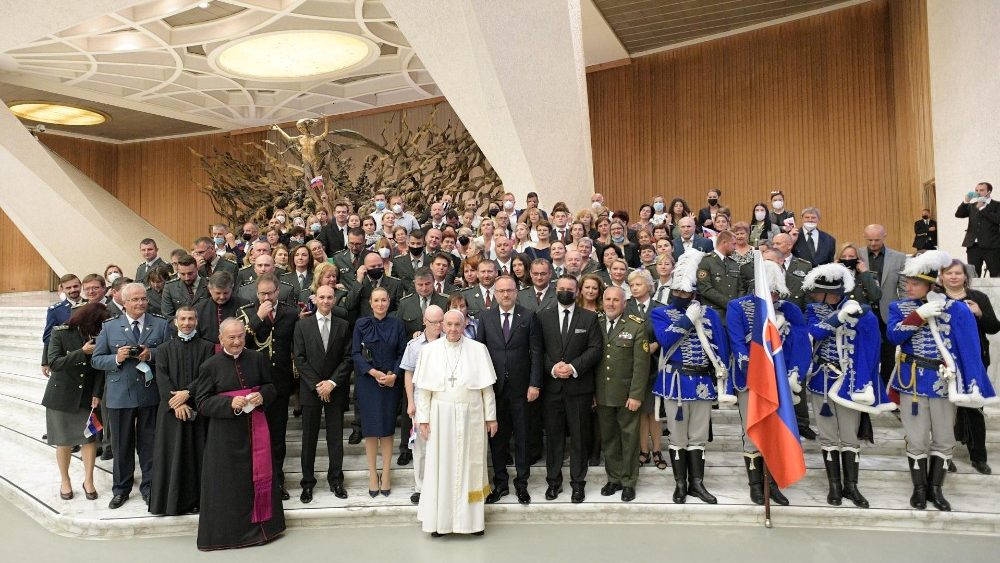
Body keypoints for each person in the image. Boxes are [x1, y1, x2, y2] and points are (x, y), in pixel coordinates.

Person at [888, 250, 997, 511]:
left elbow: (968, 346)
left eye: (915, 283)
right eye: (908, 282)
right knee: (916, 438)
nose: (909, 287)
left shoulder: (955, 308)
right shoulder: (898, 307)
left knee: (945, 438)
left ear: (929, 285)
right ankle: (919, 489)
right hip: (911, 382)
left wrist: (972, 382)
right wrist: (918, 316)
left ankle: (936, 489)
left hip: (943, 381)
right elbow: (893, 336)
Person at [802, 263, 894, 509]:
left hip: (851, 382)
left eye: (819, 292)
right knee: (828, 436)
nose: (814, 296)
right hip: (822, 381)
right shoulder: (814, 310)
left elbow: (872, 347)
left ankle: (851, 486)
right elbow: (815, 333)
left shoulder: (862, 312)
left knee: (850, 436)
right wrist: (837, 318)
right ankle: (834, 486)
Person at [195, 318, 285, 550]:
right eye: (231, 337)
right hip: (225, 437)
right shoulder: (210, 366)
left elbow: (271, 387)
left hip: (257, 431)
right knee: (230, 485)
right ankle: (232, 535)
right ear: (221, 338)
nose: (236, 342)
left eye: (240, 337)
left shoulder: (256, 358)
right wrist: (229, 403)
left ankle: (262, 530)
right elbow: (202, 403)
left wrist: (262, 396)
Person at [726, 259, 809, 506]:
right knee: (751, 433)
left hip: (780, 381)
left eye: (775, 290)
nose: (772, 295)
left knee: (776, 431)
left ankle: (771, 482)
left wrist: (794, 373)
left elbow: (800, 343)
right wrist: (753, 369)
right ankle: (755, 485)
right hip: (751, 379)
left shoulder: (790, 310)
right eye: (769, 289)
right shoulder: (738, 307)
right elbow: (737, 342)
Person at [650, 249, 727, 505]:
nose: (682, 296)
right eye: (678, 292)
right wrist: (687, 319)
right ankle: (680, 484)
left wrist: (723, 381)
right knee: (677, 436)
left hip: (703, 383)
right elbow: (665, 339)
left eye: (687, 292)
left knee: (698, 437)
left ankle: (697, 484)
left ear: (694, 292)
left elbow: (720, 347)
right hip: (675, 382)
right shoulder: (661, 313)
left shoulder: (710, 315)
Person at [414, 309, 498, 537]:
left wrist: (491, 417)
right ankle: (440, 523)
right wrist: (423, 419)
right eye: (448, 324)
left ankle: (471, 523)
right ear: (442, 325)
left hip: (472, 415)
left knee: (470, 466)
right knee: (442, 467)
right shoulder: (429, 351)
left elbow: (487, 390)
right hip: (440, 417)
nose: (452, 329)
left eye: (457, 325)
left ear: (464, 325)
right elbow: (423, 391)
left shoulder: (478, 350)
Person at [91, 283, 170, 509]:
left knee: (149, 445)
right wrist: (117, 358)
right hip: (119, 396)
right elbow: (97, 360)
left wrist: (151, 354)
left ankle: (150, 487)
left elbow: (169, 354)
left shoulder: (161, 324)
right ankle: (121, 489)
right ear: (124, 303)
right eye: (135, 300)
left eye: (143, 299)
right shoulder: (109, 327)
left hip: (149, 395)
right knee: (121, 445)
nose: (140, 303)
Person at [476, 276, 543, 505]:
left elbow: (536, 353)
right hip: (494, 390)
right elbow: (479, 354)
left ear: (516, 292)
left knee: (523, 438)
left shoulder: (528, 316)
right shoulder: (485, 317)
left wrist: (535, 383)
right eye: (501, 291)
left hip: (522, 389)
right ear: (495, 293)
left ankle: (522, 485)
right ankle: (501, 484)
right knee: (498, 439)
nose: (505, 295)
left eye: (510, 291)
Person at [537, 275, 602, 503]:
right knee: (554, 439)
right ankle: (553, 483)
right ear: (556, 289)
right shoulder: (543, 316)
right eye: (561, 288)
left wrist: (573, 367)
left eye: (570, 288)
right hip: (552, 388)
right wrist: (553, 368)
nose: (565, 291)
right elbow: (537, 350)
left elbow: (595, 349)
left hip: (579, 388)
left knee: (579, 438)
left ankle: (578, 484)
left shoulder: (590, 318)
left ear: (577, 292)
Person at [149, 306, 213, 516]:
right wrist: (177, 403)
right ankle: (172, 504)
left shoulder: (207, 348)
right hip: (170, 412)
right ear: (176, 322)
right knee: (172, 456)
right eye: (183, 319)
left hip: (198, 409)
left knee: (198, 455)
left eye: (191, 319)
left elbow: (207, 377)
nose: (187, 323)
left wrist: (188, 393)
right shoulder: (164, 349)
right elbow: (162, 378)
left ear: (196, 321)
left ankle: (199, 501)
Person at [238, 273, 297, 501]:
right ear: (256, 293)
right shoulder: (246, 312)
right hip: (253, 383)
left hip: (280, 384)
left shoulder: (290, 313)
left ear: (277, 292)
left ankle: (277, 480)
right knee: (254, 437)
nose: (266, 297)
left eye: (270, 293)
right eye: (262, 293)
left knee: (277, 437)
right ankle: (254, 481)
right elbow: (240, 342)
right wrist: (258, 318)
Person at [292, 285, 352, 503]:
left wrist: (332, 383)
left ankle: (336, 480)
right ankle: (307, 483)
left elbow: (347, 358)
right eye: (322, 297)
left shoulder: (343, 325)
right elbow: (299, 358)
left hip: (335, 390)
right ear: (315, 299)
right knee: (309, 439)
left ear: (334, 300)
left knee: (335, 438)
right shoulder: (302, 325)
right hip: (311, 390)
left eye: (329, 297)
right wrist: (318, 384)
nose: (326, 301)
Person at [43, 302, 107, 501]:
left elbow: (99, 367)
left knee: (89, 440)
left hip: (87, 396)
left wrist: (97, 393)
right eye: (98, 323)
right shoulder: (60, 332)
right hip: (62, 396)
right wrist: (81, 352)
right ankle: (65, 480)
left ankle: (88, 480)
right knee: (63, 441)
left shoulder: (98, 334)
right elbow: (54, 362)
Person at [940, 259, 999, 475]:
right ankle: (944, 455)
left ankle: (978, 457)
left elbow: (993, 327)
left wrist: (980, 314)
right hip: (944, 363)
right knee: (944, 411)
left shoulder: (978, 298)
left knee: (975, 409)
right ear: (942, 276)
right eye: (949, 273)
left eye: (958, 273)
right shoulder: (936, 298)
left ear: (966, 276)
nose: (954, 277)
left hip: (975, 360)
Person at [595, 286, 649, 502]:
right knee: (609, 439)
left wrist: (636, 395)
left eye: (615, 300)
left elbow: (641, 365)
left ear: (624, 303)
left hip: (627, 395)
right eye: (607, 299)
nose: (610, 303)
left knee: (629, 439)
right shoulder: (596, 323)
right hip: (602, 394)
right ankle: (614, 478)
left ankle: (628, 481)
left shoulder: (636, 326)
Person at [352, 287, 407, 496]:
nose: (380, 304)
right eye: (376, 300)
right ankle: (373, 474)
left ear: (389, 301)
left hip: (391, 382)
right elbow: (355, 353)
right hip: (368, 382)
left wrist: (394, 374)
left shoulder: (397, 324)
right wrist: (373, 372)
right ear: (370, 303)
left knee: (387, 428)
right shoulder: (361, 324)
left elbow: (403, 352)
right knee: (371, 430)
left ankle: (386, 471)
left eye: (384, 300)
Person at [401, 305, 445, 505]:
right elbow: (408, 373)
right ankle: (420, 487)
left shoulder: (451, 341)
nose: (438, 325)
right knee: (420, 447)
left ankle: (442, 486)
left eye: (440, 321)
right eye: (434, 321)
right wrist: (410, 402)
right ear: (425, 321)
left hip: (445, 398)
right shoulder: (415, 345)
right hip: (420, 399)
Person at [858, 224, 907, 385]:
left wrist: (904, 311)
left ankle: (887, 394)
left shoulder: (899, 258)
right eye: (869, 239)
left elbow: (903, 288)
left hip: (887, 314)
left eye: (877, 240)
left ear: (884, 236)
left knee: (888, 357)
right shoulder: (857, 255)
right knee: (864, 356)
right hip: (863, 313)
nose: (873, 243)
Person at [41, 274, 84, 377]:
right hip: (67, 359)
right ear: (62, 289)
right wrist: (45, 361)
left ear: (81, 285)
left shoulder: (91, 305)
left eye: (75, 286)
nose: (73, 290)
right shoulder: (55, 310)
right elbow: (48, 337)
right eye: (68, 288)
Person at [696, 230, 741, 323]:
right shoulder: (706, 261)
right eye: (733, 244)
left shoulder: (733, 263)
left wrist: (737, 305)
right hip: (715, 314)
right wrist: (729, 304)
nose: (735, 248)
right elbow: (705, 289)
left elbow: (740, 287)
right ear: (724, 243)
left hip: (734, 314)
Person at [194, 271, 241, 348]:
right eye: (218, 293)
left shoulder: (243, 305)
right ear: (210, 289)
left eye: (225, 293)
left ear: (232, 288)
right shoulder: (199, 309)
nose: (222, 297)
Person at [837, 243, 881, 308]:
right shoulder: (831, 277)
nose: (847, 259)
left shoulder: (869, 275)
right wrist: (834, 272)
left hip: (863, 315)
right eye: (843, 257)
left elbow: (876, 297)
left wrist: (864, 272)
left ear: (858, 259)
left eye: (851, 256)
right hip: (840, 315)